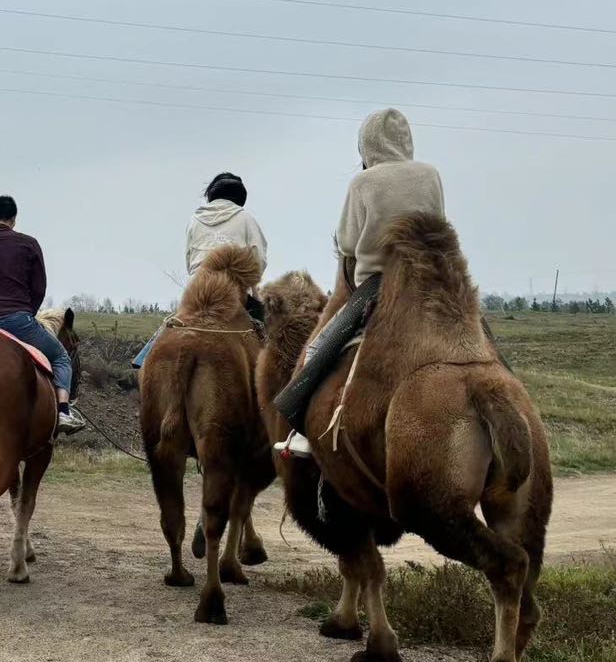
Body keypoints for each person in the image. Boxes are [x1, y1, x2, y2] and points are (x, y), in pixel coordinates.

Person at [274, 109, 445, 457]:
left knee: (317, 350)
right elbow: (439, 222)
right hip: (431, 285)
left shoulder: (363, 182)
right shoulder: (430, 175)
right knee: (479, 342)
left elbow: (349, 242)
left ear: (367, 145)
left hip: (377, 289)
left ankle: (303, 429)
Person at [0, 195, 85, 432]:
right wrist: (27, 313)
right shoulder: (29, 244)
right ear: (14, 219)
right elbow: (38, 288)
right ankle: (63, 412)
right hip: (19, 321)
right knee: (61, 357)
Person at [131, 172, 269, 369]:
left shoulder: (194, 220)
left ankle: (145, 359)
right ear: (239, 198)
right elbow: (258, 261)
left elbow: (190, 262)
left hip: (199, 288)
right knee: (269, 342)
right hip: (233, 290)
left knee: (173, 324)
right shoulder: (246, 219)